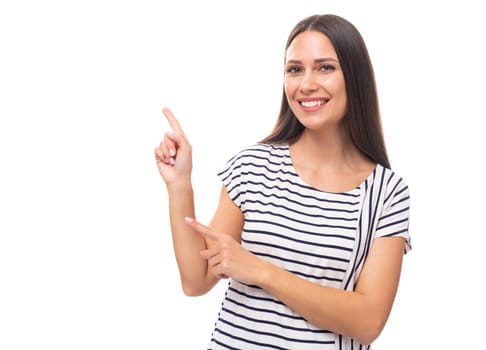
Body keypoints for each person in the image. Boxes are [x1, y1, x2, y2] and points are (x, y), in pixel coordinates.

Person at [155, 13, 411, 350]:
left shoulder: (386, 193)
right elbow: (195, 281)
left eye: (325, 67)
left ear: (355, 77)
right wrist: (179, 184)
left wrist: (261, 271)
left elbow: (368, 321)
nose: (306, 84)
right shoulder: (252, 167)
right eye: (294, 69)